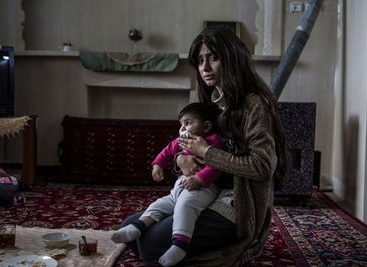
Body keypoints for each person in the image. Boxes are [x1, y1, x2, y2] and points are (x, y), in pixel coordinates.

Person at [120, 26, 288, 266]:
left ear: (232, 60)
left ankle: (229, 249)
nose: (205, 67)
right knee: (130, 227)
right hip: (205, 193)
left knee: (149, 244)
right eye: (200, 61)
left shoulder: (254, 105)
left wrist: (207, 153)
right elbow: (191, 150)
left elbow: (262, 167)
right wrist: (180, 160)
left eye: (213, 58)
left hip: (233, 205)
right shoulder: (211, 105)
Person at [112, 102, 225, 266]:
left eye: (188, 123)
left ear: (206, 127)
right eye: (180, 124)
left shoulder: (213, 141)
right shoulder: (182, 140)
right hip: (180, 187)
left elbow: (216, 168)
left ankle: (179, 245)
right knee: (159, 204)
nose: (182, 129)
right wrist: (157, 165)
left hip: (203, 188)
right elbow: (167, 151)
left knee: (184, 207)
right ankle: (138, 226)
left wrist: (199, 179)